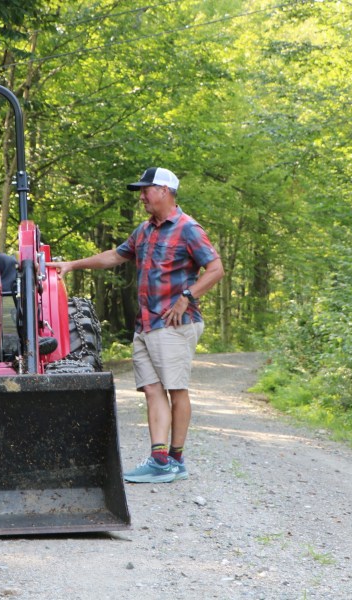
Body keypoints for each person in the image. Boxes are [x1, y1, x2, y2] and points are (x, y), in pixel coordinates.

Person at [50, 167, 224, 484]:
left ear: (165, 191)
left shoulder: (188, 229)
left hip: (174, 324)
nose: (141, 196)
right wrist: (73, 265)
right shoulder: (145, 230)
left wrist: (188, 295)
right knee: (152, 390)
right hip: (145, 325)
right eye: (141, 190)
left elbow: (215, 268)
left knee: (175, 388)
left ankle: (176, 459)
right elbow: (115, 256)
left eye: (146, 189)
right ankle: (159, 460)